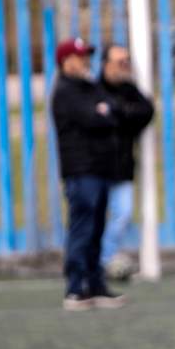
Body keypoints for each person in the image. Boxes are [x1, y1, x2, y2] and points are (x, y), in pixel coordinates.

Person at [51, 38, 125, 311]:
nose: (85, 62)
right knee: (82, 228)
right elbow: (94, 119)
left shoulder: (89, 87)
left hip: (100, 168)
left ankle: (95, 285)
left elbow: (112, 111)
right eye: (80, 57)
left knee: (96, 229)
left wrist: (104, 112)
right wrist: (102, 114)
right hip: (81, 170)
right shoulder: (65, 91)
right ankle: (74, 288)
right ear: (66, 61)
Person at [98, 44, 155, 281]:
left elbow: (146, 112)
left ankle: (105, 258)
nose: (125, 66)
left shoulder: (129, 89)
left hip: (122, 166)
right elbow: (91, 120)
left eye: (127, 61)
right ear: (106, 63)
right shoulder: (94, 89)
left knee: (123, 213)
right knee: (93, 218)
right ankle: (94, 262)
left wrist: (116, 112)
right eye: (120, 61)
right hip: (95, 167)